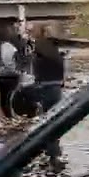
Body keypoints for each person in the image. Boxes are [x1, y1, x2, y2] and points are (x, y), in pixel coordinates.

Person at [16, 23, 67, 168]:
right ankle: (53, 152)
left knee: (48, 120)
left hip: (46, 86)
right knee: (53, 120)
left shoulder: (39, 48)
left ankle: (51, 153)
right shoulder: (54, 48)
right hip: (56, 87)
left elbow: (34, 69)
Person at [0, 25, 23, 118]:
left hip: (0, 76)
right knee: (10, 97)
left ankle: (7, 115)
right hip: (10, 76)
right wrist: (17, 70)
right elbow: (8, 62)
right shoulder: (7, 47)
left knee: (4, 97)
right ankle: (10, 116)